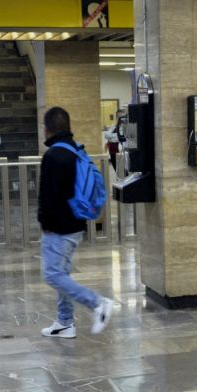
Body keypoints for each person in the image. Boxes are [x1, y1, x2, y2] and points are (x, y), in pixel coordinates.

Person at [37, 106, 113, 339]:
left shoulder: (53, 156)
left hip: (59, 227)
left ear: (47, 129)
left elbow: (49, 196)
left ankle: (98, 303)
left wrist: (44, 221)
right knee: (63, 274)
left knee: (52, 274)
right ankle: (65, 322)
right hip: (76, 222)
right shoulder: (76, 151)